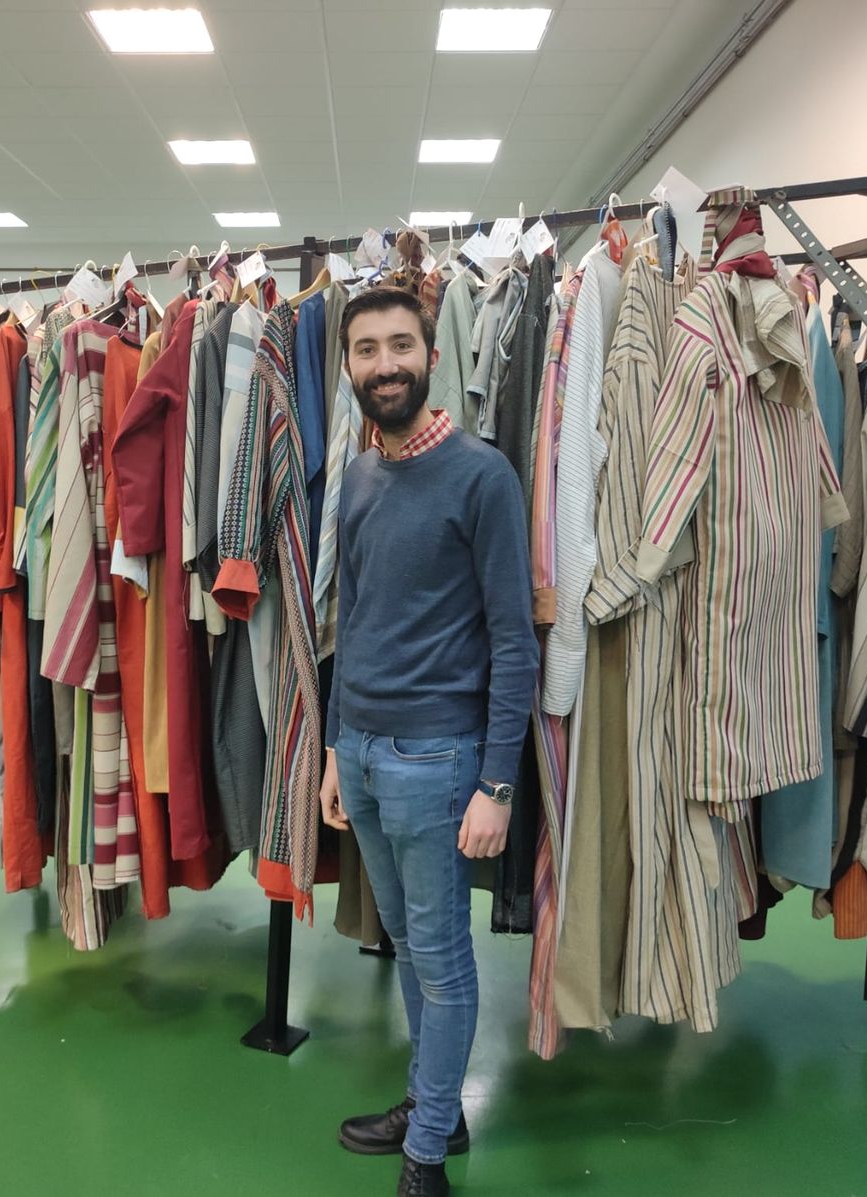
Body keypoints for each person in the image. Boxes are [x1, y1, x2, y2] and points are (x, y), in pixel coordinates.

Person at [320, 286, 539, 1197]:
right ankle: (431, 1104)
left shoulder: (483, 476)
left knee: (443, 962)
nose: (385, 364)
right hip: (365, 755)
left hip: (437, 763)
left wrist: (497, 783)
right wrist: (336, 749)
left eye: (400, 345)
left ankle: (426, 1160)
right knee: (410, 947)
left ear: (432, 355)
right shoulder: (358, 476)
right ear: (348, 366)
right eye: (366, 349)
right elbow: (354, 619)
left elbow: (514, 641)